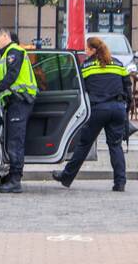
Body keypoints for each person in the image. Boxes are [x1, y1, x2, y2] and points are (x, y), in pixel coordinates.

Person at [52, 36, 132, 192]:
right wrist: (125, 110)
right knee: (115, 146)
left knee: (84, 144)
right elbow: (127, 88)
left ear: (94, 50)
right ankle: (120, 182)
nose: (85, 51)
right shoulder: (118, 64)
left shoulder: (87, 66)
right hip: (117, 109)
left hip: (98, 109)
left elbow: (78, 87)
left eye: (87, 48)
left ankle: (66, 177)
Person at [0, 28, 38, 194]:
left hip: (20, 100)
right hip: (14, 102)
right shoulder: (6, 53)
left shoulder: (14, 52)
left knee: (15, 142)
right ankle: (12, 176)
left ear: (5, 36)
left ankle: (15, 180)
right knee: (11, 140)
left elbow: (11, 76)